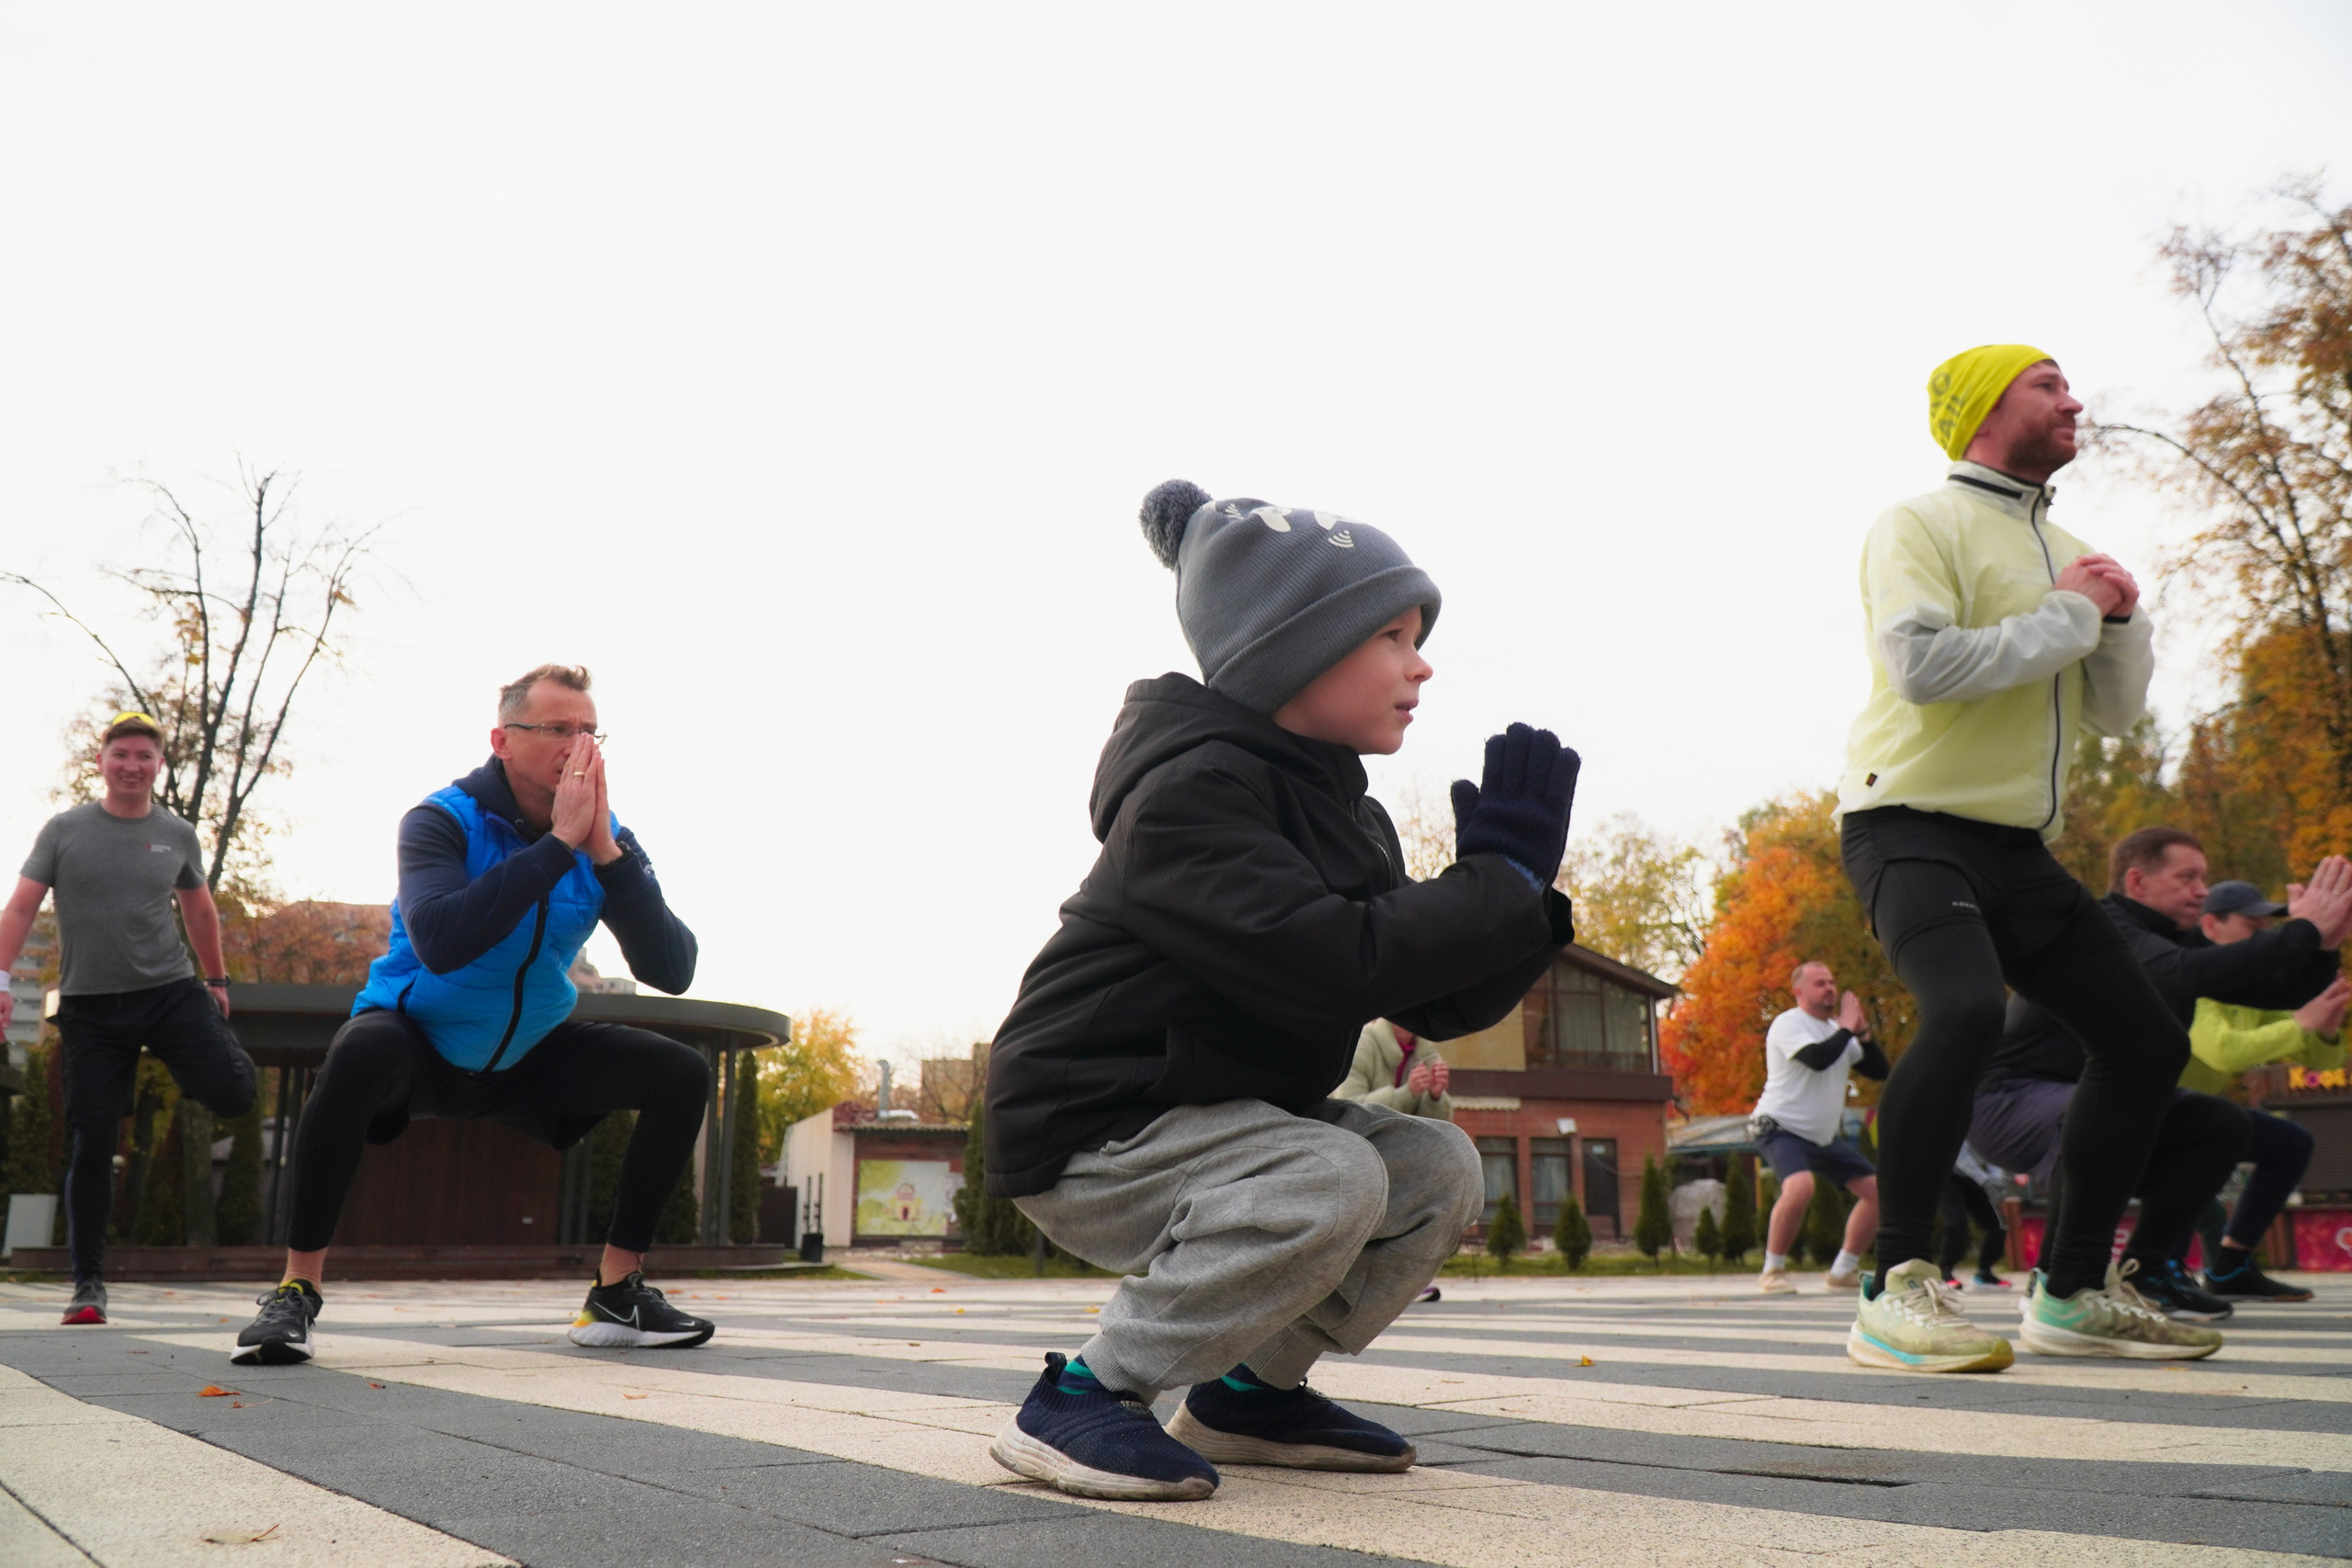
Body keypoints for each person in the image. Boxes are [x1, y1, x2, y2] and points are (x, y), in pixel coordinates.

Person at [982, 480, 1577, 1502]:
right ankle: (1084, 1393)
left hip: (1226, 1120)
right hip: (1097, 1127)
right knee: (1330, 1175)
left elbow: (1427, 1001)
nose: (1421, 663)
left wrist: (1518, 898)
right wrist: (1490, 886)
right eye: (1392, 636)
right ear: (1294, 648)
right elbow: (1330, 960)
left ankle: (1248, 1394)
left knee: (1433, 1167)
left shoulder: (1348, 815)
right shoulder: (1190, 793)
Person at [1837, 344, 2219, 1371]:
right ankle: (1892, 1287)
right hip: (1907, 823)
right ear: (1981, 409)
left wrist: (2120, 623)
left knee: (2144, 1043)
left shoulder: (2073, 550)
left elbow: (2112, 712)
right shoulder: (1918, 523)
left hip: (2017, 846)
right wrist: (2072, 613)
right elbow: (1921, 666)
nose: (2074, 400)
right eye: (2047, 385)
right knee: (1964, 1012)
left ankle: (2071, 1292)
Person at [231, 665, 712, 1365]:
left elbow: (672, 969)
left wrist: (605, 853)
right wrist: (555, 847)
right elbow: (443, 940)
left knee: (681, 1072)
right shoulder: (441, 820)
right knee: (358, 1049)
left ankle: (616, 1291)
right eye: (558, 728)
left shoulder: (605, 839)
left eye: (589, 731)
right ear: (503, 740)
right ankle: (296, 1289)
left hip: (528, 1057)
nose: (578, 746)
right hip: (418, 1044)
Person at [0, 713, 257, 1326]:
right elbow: (21, 907)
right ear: (102, 762)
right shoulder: (65, 830)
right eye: (121, 755)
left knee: (234, 1094)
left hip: (168, 993)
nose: (132, 766)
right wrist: (2, 980)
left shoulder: (177, 834)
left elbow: (199, 911)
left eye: (144, 756)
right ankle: (88, 1285)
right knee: (92, 1141)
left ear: (158, 765)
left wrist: (216, 979)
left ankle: (198, 1065)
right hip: (91, 1008)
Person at [2182, 877, 2349, 1301]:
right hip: (2126, 1117)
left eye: (2268, 927)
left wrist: (2325, 1029)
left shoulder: (2253, 990)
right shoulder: (2187, 973)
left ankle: (2231, 1268)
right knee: (2198, 1195)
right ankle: (2150, 1270)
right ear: (2210, 926)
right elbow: (2222, 1053)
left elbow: (2322, 1062)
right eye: (2252, 925)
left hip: (2189, 1116)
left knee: (2290, 1143)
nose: (2266, 936)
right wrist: (2302, 1023)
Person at [1748, 962, 1885, 1294]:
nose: (1829, 989)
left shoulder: (1839, 1032)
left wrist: (1862, 1034)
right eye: (1820, 983)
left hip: (1821, 1137)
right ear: (1799, 992)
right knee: (1800, 1188)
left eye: (1832, 982)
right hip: (1779, 1127)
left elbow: (1879, 1071)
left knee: (1879, 1193)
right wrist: (1846, 1030)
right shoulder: (1789, 1023)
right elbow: (1817, 1059)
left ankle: (1842, 1271)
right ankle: (1772, 1271)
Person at [1335, 1020, 1454, 1301]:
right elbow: (1346, 1106)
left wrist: (1435, 1095)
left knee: (1418, 1207)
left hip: (1401, 1153)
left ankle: (1407, 1282)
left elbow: (1439, 1125)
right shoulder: (1364, 1042)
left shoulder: (1425, 1050)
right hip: (1355, 1152)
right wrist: (1406, 1093)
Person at [1336, 1020, 1453, 1120]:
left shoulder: (1427, 1052)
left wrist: (1434, 1097)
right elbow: (1347, 1109)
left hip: (1405, 1138)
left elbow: (1434, 1128)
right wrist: (1407, 1093)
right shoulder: (1362, 1044)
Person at [1937, 1144, 2010, 1290]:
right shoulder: (1966, 1130)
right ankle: (1944, 1271)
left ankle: (1984, 1273)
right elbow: (1962, 1160)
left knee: (1998, 1225)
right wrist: (1986, 1180)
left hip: (1972, 1178)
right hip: (1947, 1176)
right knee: (1956, 1222)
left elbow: (1994, 1158)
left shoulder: (1992, 1134)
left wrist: (1997, 1181)